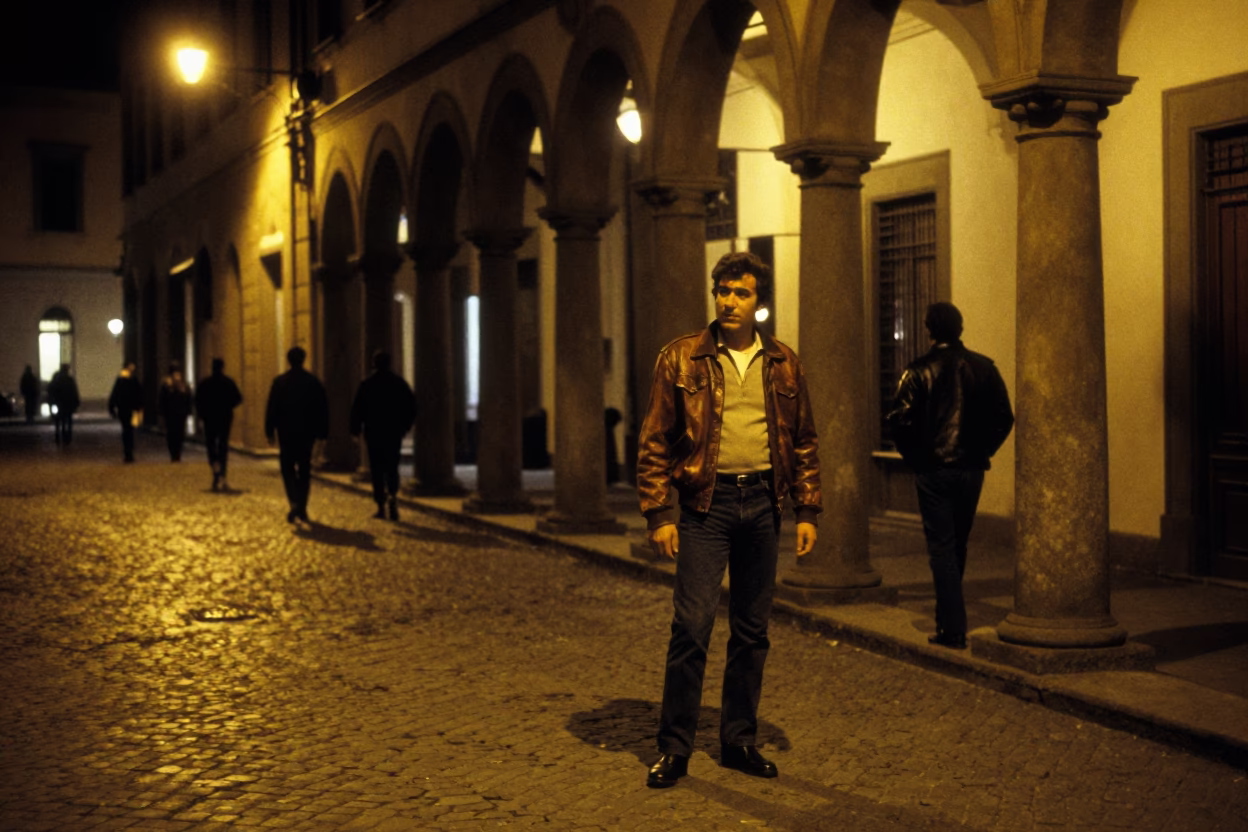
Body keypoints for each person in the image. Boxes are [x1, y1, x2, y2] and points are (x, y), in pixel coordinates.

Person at [636, 251, 821, 788]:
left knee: (751, 631)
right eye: (722, 291)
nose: (728, 301)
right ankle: (674, 749)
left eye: (740, 293)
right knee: (692, 628)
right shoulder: (682, 359)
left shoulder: (784, 362)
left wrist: (807, 508)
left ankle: (739, 740)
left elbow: (804, 440)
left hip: (764, 504)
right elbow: (654, 440)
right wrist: (658, 512)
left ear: (759, 302)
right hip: (704, 507)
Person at [886, 301, 1015, 650]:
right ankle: (949, 619)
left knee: (941, 546)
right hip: (971, 469)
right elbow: (1004, 417)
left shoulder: (917, 371)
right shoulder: (984, 368)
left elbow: (898, 420)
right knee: (958, 543)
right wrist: (981, 450)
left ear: (929, 329)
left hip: (934, 470)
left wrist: (918, 458)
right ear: (959, 327)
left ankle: (952, 627)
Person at [265, 346, 329, 524]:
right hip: (306, 434)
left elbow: (272, 408)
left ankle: (294, 500)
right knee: (304, 469)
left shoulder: (280, 382)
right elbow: (322, 409)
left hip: (286, 433)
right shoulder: (313, 382)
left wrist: (269, 431)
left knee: (287, 468)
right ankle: (302, 505)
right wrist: (323, 433)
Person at [349, 350, 416, 520]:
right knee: (392, 466)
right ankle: (393, 496)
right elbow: (411, 406)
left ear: (374, 364)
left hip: (374, 432)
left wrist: (355, 430)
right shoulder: (399, 383)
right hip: (393, 432)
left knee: (377, 469)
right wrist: (405, 426)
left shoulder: (367, 384)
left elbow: (358, 409)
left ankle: (380, 505)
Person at [196, 358, 243, 491]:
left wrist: (202, 414)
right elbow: (238, 399)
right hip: (224, 418)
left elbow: (198, 400)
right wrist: (228, 406)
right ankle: (222, 473)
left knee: (211, 445)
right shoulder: (228, 382)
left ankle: (215, 468)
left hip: (209, 418)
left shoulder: (205, 383)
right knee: (223, 446)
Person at [108, 363, 144, 462]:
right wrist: (139, 407)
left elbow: (114, 394)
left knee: (126, 430)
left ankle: (128, 452)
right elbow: (139, 394)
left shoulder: (121, 380)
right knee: (129, 430)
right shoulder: (133, 380)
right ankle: (129, 452)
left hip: (124, 409)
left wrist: (112, 408)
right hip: (131, 410)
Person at [158, 361, 194, 462]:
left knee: (179, 433)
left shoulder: (183, 385)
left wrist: (188, 410)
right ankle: (174, 453)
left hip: (180, 413)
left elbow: (188, 398)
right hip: (171, 413)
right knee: (172, 434)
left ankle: (177, 453)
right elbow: (163, 399)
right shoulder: (167, 385)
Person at [47, 363, 80, 445]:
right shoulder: (69, 379)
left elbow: (51, 390)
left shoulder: (56, 378)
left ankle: (58, 435)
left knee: (58, 421)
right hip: (67, 404)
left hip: (59, 403)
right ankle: (67, 437)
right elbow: (74, 392)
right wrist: (76, 403)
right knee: (68, 420)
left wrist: (51, 402)